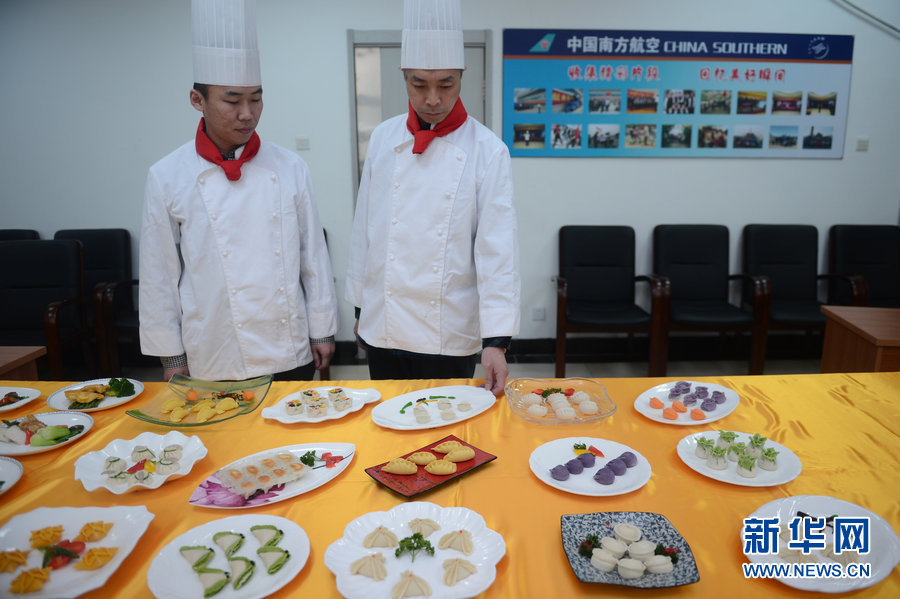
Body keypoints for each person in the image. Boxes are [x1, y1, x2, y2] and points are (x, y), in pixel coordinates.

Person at [140, 0, 338, 382]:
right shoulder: (167, 174)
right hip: (213, 347)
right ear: (198, 100)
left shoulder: (290, 166)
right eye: (232, 100)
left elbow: (312, 256)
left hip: (287, 345)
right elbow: (159, 274)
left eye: (256, 98)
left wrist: (323, 329)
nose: (247, 113)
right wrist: (170, 356)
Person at [345, 0, 520, 395]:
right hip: (384, 324)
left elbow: (498, 251)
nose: (433, 99)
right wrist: (360, 309)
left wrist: (496, 342)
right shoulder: (384, 138)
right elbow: (365, 230)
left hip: (447, 329)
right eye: (419, 84)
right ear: (403, 76)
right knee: (390, 432)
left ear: (462, 76)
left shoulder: (488, 150)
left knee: (446, 437)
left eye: (446, 84)